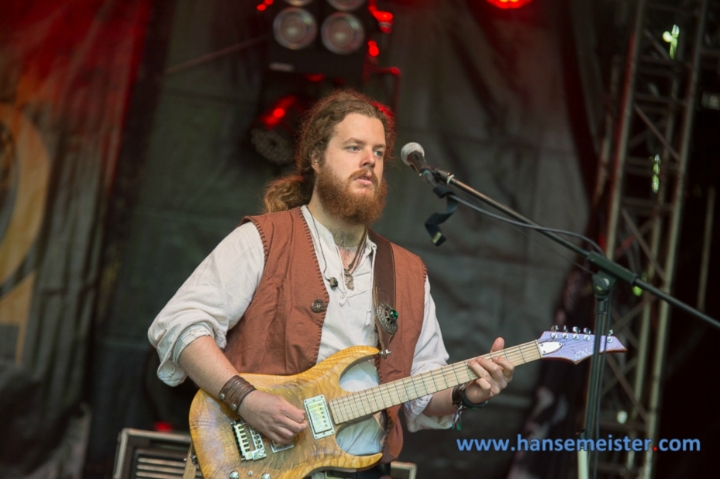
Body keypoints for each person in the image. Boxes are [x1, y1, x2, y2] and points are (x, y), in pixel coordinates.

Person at [148, 89, 514, 479]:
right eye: (354, 147)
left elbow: (420, 391)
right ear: (316, 159)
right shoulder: (263, 239)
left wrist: (466, 394)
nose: (369, 161)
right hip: (263, 463)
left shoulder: (407, 272)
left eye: (377, 151)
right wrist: (246, 398)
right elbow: (182, 325)